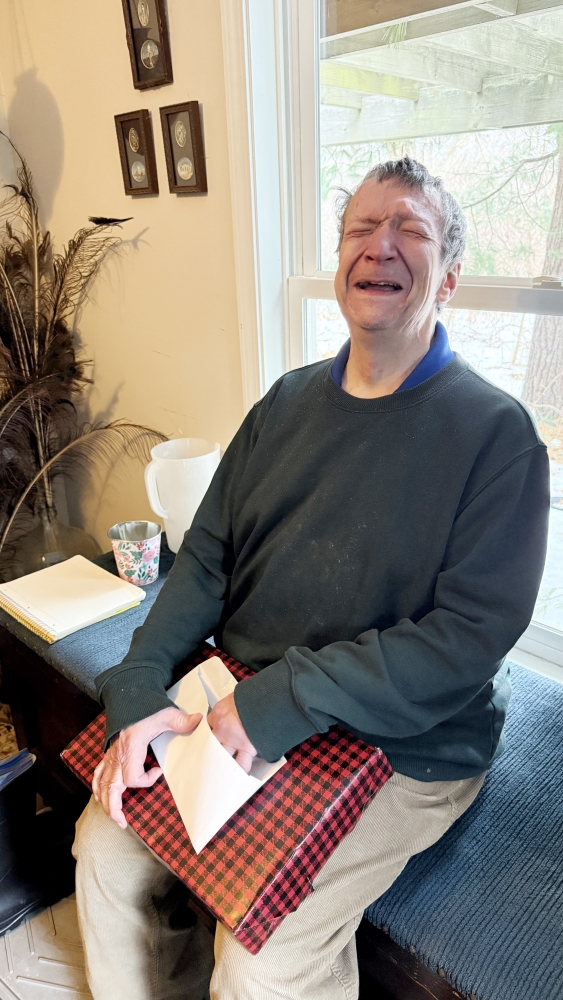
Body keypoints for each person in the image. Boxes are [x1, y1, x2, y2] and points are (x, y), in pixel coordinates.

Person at [73, 158, 549, 1000]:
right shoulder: (283, 406)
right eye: (362, 228)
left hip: (405, 737)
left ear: (448, 279)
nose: (381, 246)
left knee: (261, 963)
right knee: (104, 849)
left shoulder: (496, 436)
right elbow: (208, 559)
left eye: (411, 230)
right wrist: (143, 684)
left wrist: (278, 703)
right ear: (340, 261)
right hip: (252, 687)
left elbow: (466, 641)